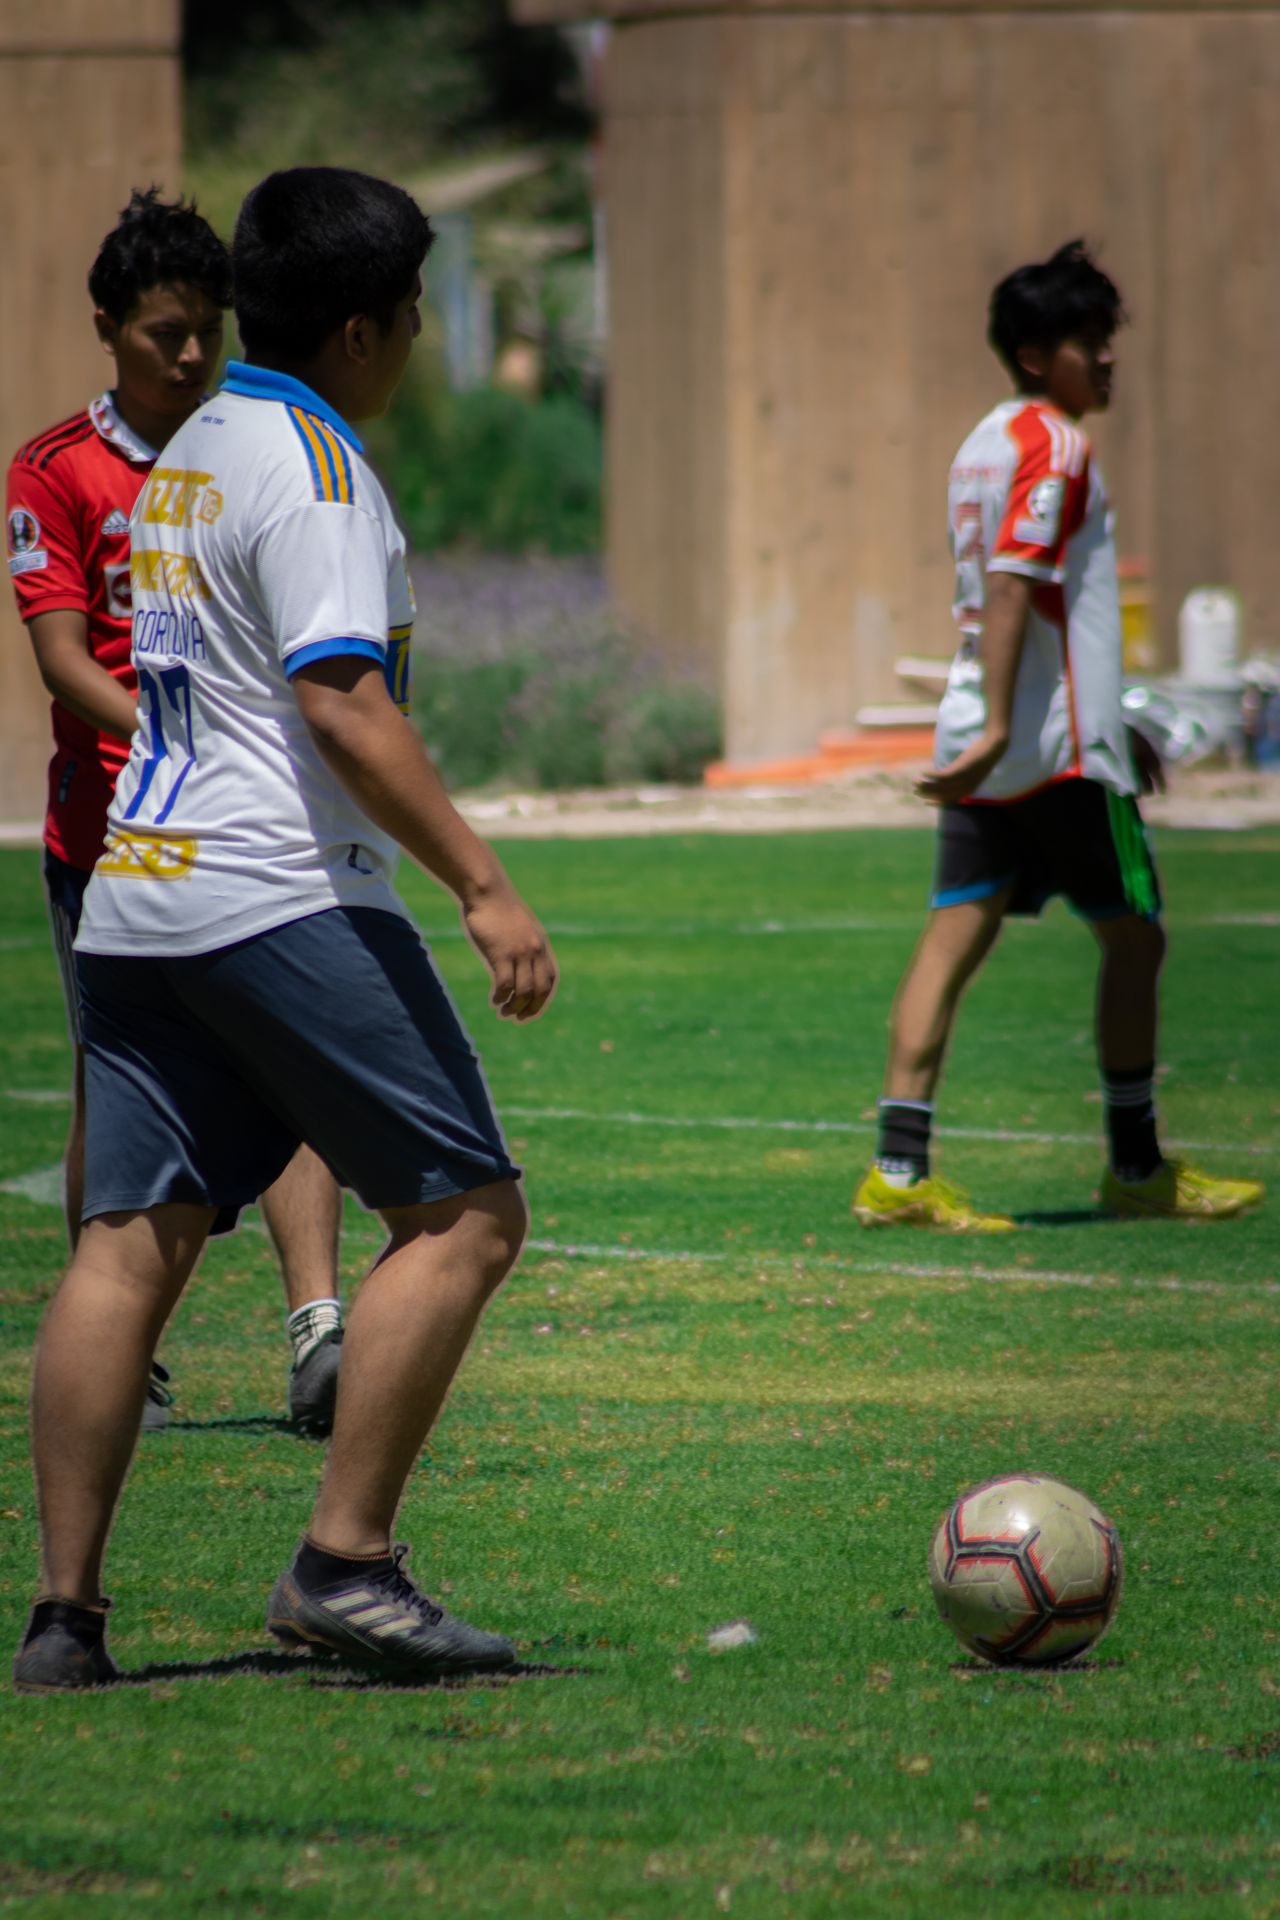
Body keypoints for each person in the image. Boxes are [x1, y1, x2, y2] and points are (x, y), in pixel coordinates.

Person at [12, 164, 557, 1694]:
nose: (418, 346)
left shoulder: (192, 448)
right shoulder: (316, 463)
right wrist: (483, 884)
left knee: (129, 1243)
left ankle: (64, 1619)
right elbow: (341, 703)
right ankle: (346, 1564)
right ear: (367, 328)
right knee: (468, 1215)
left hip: (137, 892)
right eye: (415, 318)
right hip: (275, 891)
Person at [5, 189, 348, 1434]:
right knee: (119, 1091)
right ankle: (126, 1357)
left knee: (301, 1068)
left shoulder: (253, 449)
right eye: (165, 333)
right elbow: (62, 660)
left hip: (254, 828)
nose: (193, 354)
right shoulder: (53, 471)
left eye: (209, 328)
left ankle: (320, 1334)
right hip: (111, 839)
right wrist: (175, 735)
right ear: (106, 328)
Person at [853, 241, 1264, 1233]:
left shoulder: (980, 442)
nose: (1108, 357)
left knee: (952, 938)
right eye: (1089, 340)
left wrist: (1007, 725)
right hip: (1056, 750)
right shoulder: (1055, 445)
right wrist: (1018, 726)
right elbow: (1012, 585)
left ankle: (896, 1175)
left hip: (992, 735)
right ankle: (1136, 1166)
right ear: (1037, 355)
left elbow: (1021, 602)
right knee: (1135, 935)